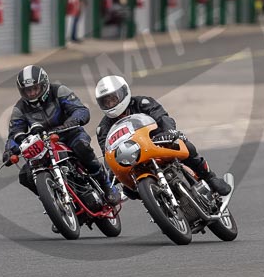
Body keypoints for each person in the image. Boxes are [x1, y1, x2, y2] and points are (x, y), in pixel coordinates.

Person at [94, 75, 231, 197]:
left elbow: (163, 118)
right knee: (130, 192)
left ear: (123, 93)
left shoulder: (143, 103)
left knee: (185, 145)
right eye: (106, 102)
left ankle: (210, 178)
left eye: (113, 99)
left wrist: (168, 131)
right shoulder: (103, 128)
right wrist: (111, 170)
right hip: (132, 160)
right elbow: (107, 153)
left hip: (157, 143)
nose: (110, 104)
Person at [3, 65, 119, 204]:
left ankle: (106, 185)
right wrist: (9, 150)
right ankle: (54, 203)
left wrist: (70, 122)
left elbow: (80, 110)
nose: (32, 93)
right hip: (42, 145)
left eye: (35, 88)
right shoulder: (20, 108)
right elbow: (15, 132)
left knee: (82, 147)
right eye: (28, 91)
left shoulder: (59, 91)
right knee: (25, 175)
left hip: (69, 134)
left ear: (44, 84)